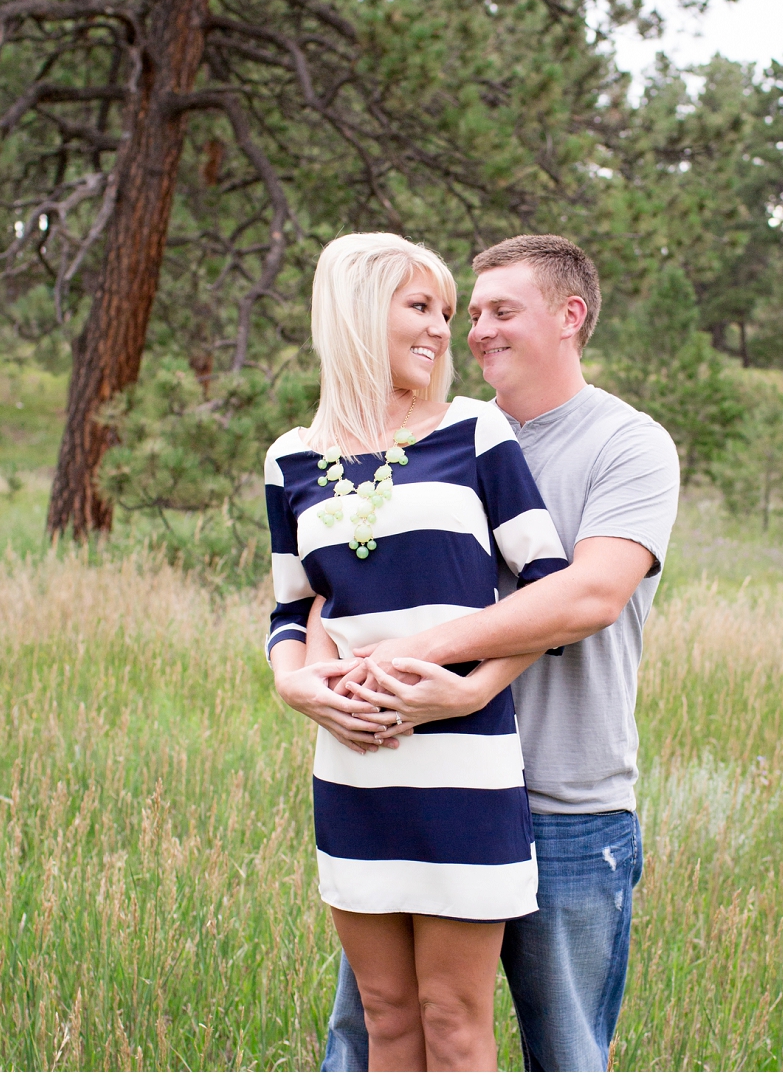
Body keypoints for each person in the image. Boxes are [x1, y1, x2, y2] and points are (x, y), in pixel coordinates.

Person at [297, 234, 680, 1072]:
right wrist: (303, 679)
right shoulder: (438, 437)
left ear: (569, 317)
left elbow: (586, 594)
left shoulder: (629, 444)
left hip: (567, 804)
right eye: (470, 313)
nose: (474, 331)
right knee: (376, 1030)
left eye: (500, 311)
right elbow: (322, 593)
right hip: (419, 778)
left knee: (565, 1053)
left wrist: (436, 663)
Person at [265, 233, 568, 1071]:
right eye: (421, 307)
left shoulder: (475, 430)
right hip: (353, 769)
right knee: (387, 1015)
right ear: (360, 312)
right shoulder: (290, 458)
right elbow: (292, 609)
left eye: (446, 311)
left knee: (455, 1016)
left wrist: (472, 692)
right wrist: (297, 688)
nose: (442, 330)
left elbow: (548, 590)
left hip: (465, 768)